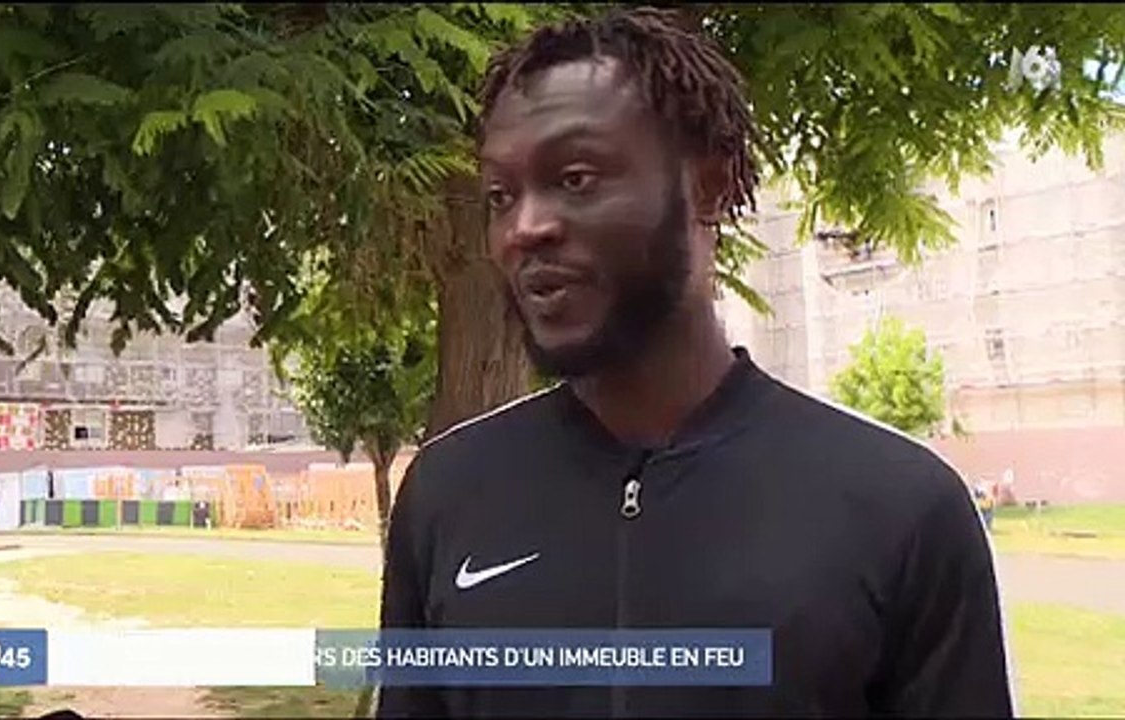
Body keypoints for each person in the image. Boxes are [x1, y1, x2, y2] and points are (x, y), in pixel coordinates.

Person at [379, 7, 1013, 719]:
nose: (525, 228)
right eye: (501, 196)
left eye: (577, 178)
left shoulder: (904, 510)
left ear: (707, 190)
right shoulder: (447, 495)